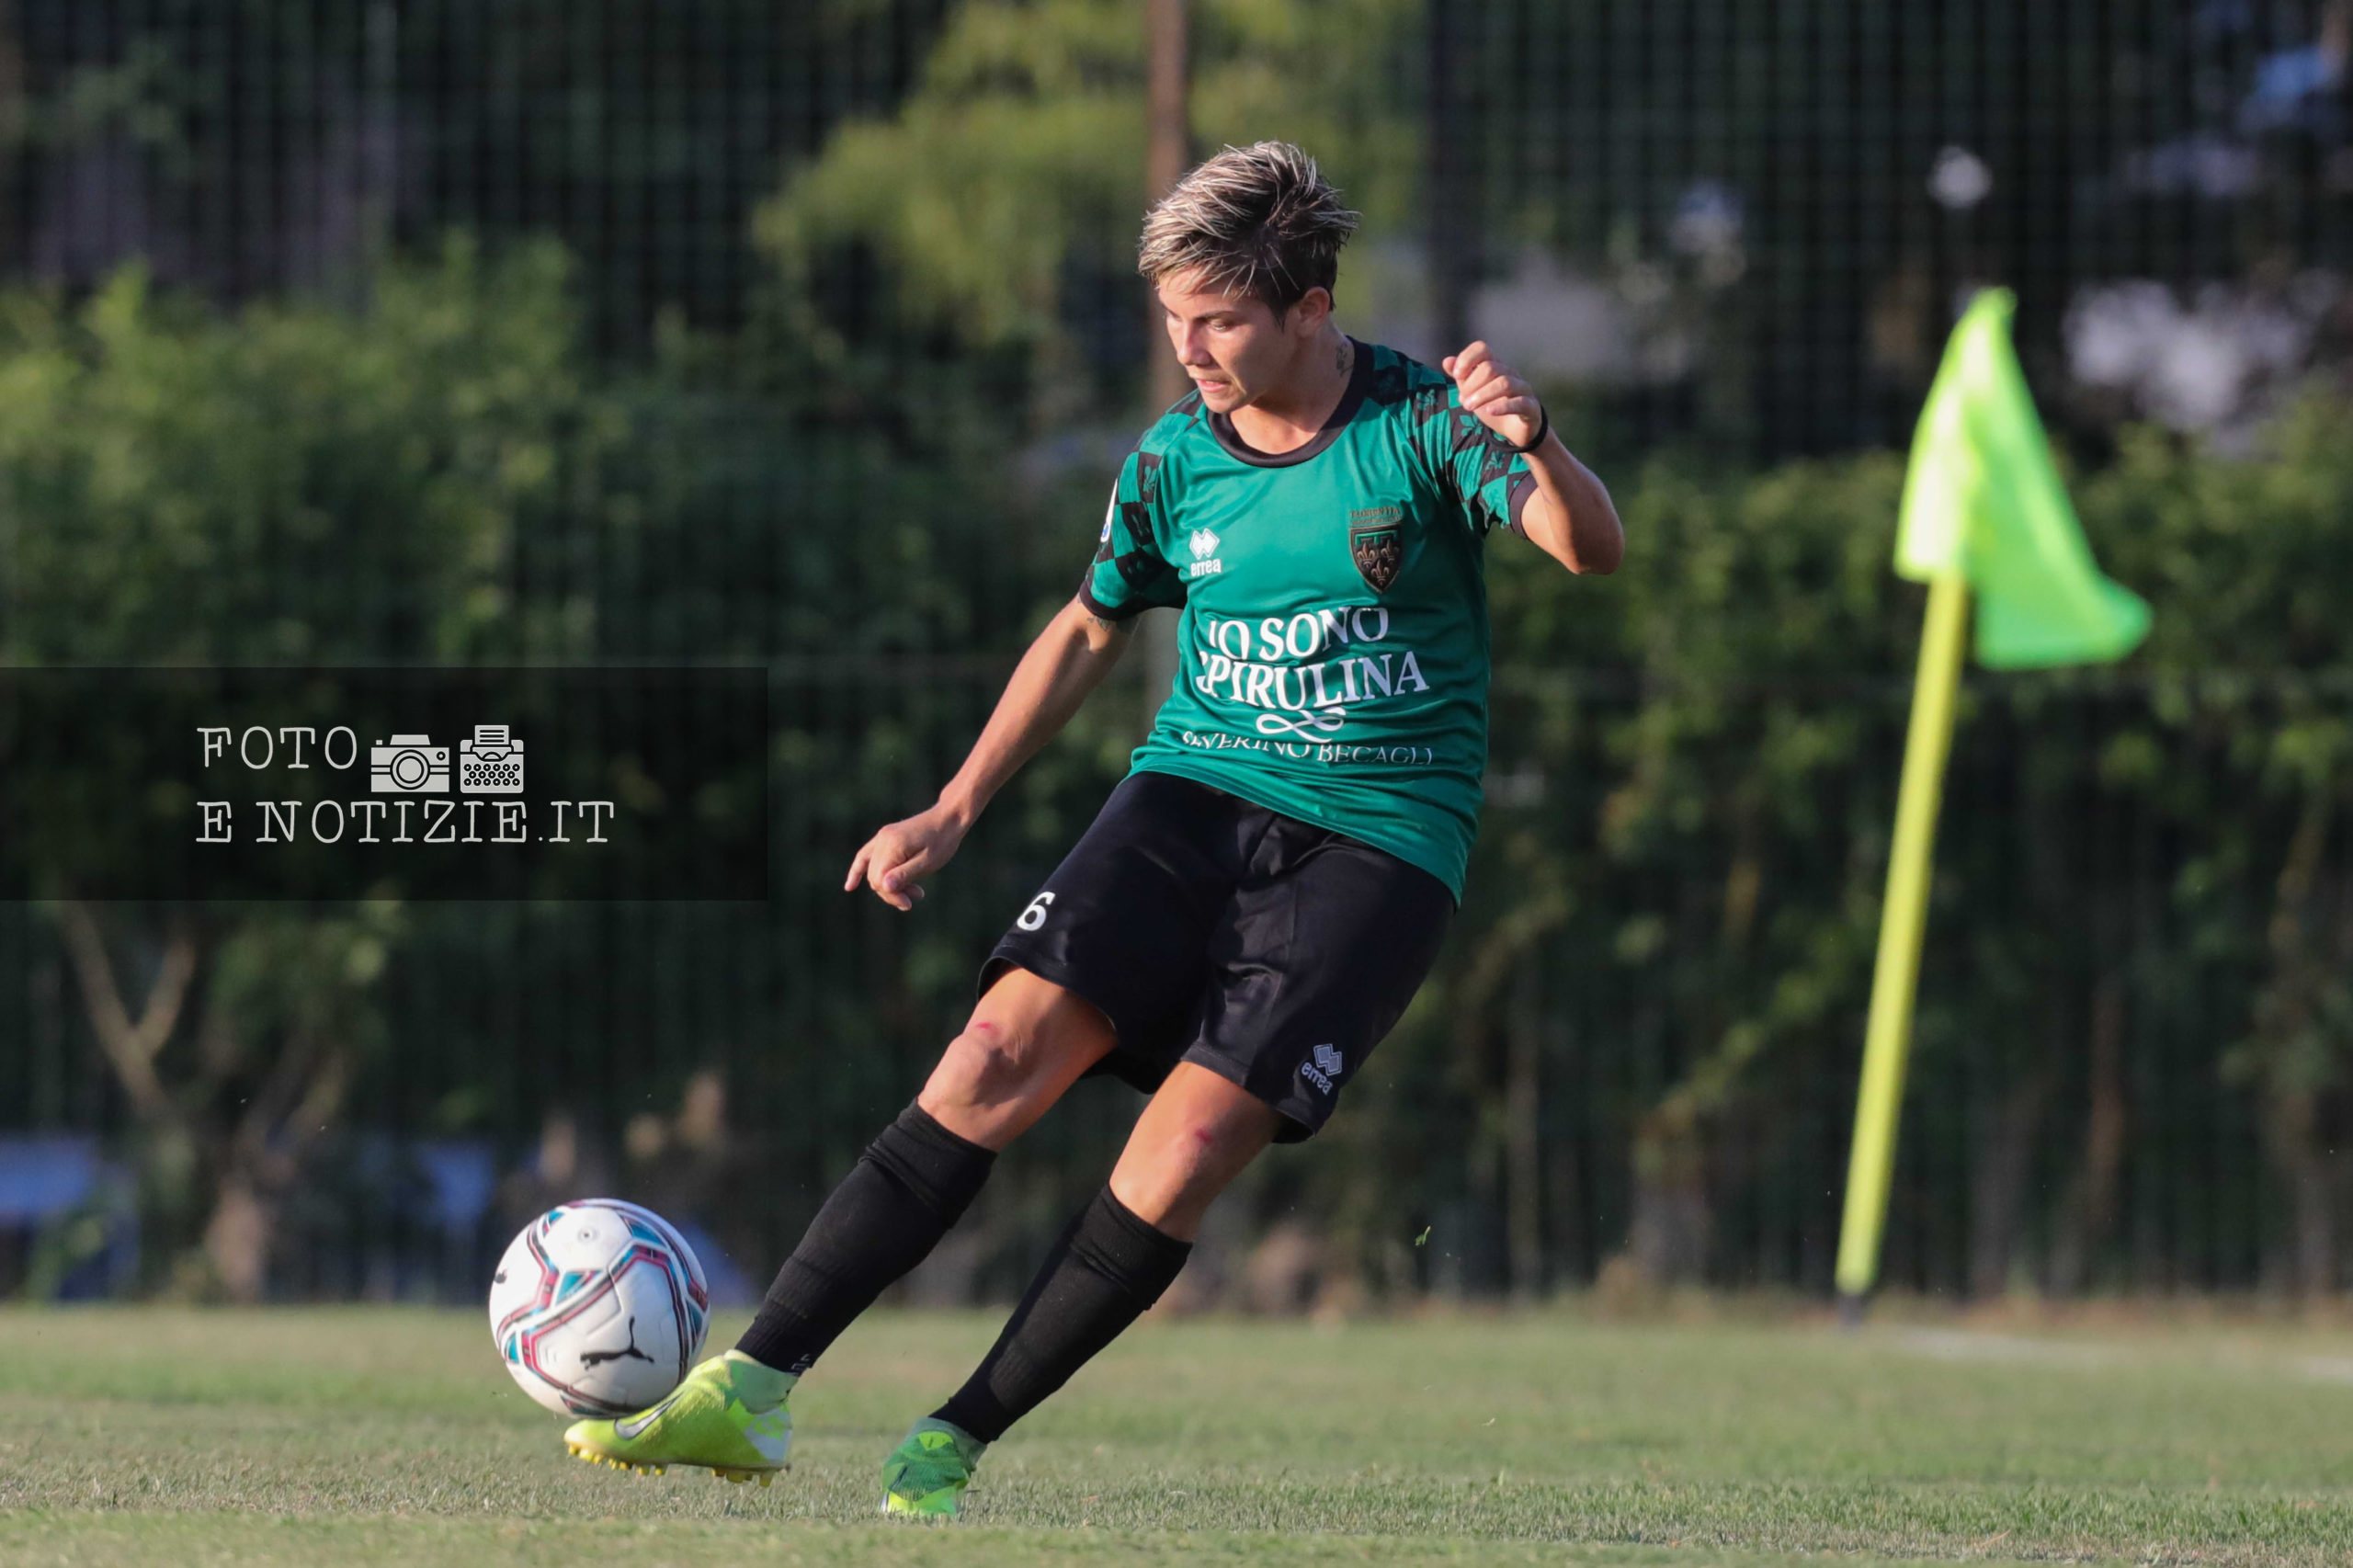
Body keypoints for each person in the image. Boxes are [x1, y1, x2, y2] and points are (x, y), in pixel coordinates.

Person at [561, 140, 1624, 1518]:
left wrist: (1537, 441)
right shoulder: (1175, 458)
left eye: (1218, 320)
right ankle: (747, 1390)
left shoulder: (1424, 423)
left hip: (1378, 844)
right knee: (991, 1052)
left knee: (1182, 1154)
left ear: (1311, 307)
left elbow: (1586, 546)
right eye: (1172, 317)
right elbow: (1086, 628)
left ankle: (955, 1437)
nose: (1188, 348)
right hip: (1194, 789)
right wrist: (952, 807)